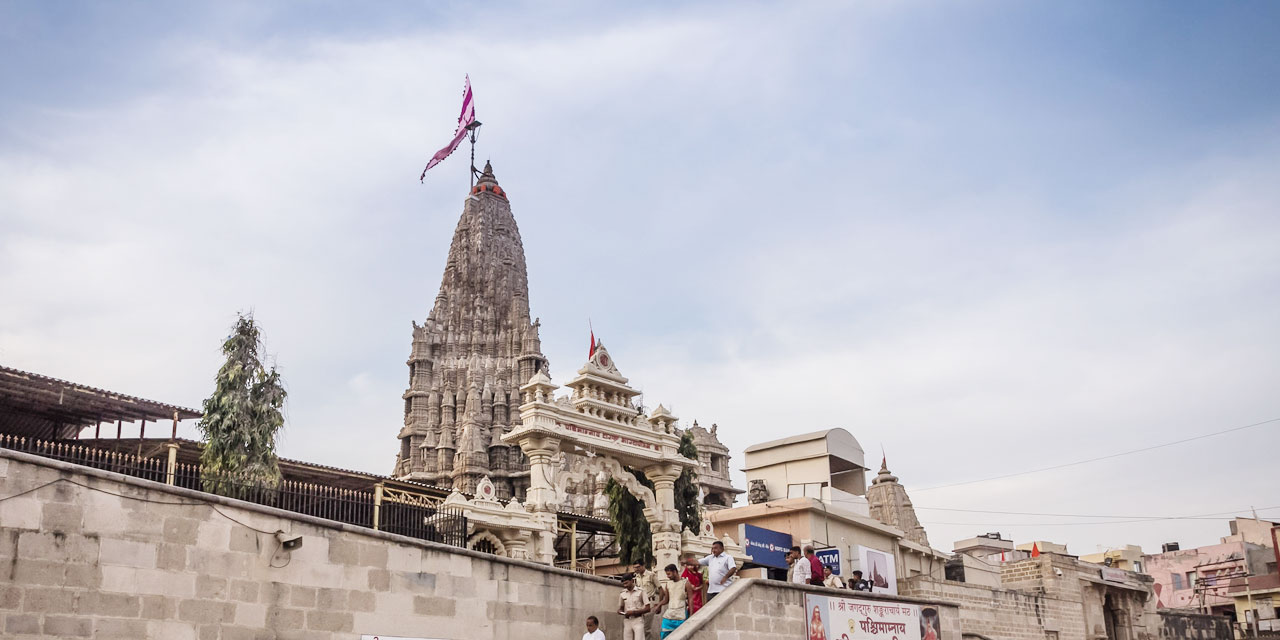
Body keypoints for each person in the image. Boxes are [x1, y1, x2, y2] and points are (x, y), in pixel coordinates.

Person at [656, 563, 693, 638]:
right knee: (664, 635)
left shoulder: (685, 583)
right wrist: (659, 605)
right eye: (667, 574)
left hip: (681, 615)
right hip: (669, 615)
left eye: (669, 574)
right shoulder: (668, 584)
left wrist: (691, 615)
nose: (668, 576)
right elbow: (666, 600)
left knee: (680, 636)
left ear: (675, 572)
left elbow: (690, 599)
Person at [632, 561, 661, 640]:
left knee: (646, 629)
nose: (636, 569)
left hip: (650, 603)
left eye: (638, 567)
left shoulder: (651, 575)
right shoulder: (636, 577)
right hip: (640, 604)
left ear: (643, 566)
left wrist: (659, 604)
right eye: (635, 568)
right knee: (638, 628)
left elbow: (661, 589)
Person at [616, 573, 650, 640]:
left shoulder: (641, 591)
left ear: (632, 580)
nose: (625, 586)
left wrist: (634, 612)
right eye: (624, 584)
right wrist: (620, 611)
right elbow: (621, 608)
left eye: (627, 583)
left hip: (638, 620)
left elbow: (648, 608)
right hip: (627, 620)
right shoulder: (622, 593)